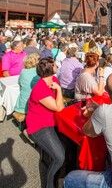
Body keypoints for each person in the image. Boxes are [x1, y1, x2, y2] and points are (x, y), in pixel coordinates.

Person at [26, 57, 65, 188]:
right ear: (50, 69)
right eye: (55, 65)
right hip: (39, 127)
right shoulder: (39, 89)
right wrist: (59, 90)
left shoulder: (54, 79)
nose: (57, 66)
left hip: (52, 121)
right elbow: (59, 107)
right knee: (59, 158)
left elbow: (59, 104)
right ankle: (49, 185)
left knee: (67, 147)